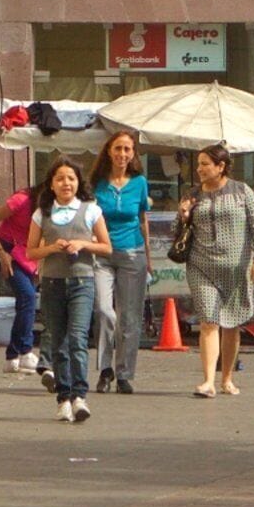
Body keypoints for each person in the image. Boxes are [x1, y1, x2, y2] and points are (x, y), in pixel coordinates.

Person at [174, 144, 254, 398]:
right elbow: (178, 231)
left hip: (237, 267)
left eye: (205, 164)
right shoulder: (192, 195)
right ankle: (207, 381)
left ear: (221, 166)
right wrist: (183, 216)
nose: (199, 168)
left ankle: (226, 378)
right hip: (201, 265)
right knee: (209, 321)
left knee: (232, 324)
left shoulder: (242, 192)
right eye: (199, 164)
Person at [30, 158, 112, 421]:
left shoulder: (90, 210)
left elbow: (106, 246)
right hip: (53, 283)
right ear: (51, 185)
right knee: (58, 341)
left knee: (77, 338)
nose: (66, 183)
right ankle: (63, 397)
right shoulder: (42, 213)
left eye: (71, 178)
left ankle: (80, 396)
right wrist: (52, 248)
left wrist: (82, 244)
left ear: (79, 183)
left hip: (82, 282)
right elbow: (31, 251)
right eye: (60, 179)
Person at [91, 128, 153, 395]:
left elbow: (142, 219)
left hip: (132, 253)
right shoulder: (96, 182)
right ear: (109, 151)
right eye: (118, 148)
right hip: (101, 253)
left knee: (130, 317)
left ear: (133, 154)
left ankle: (125, 373)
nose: (123, 154)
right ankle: (105, 369)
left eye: (127, 149)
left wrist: (148, 257)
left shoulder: (139, 182)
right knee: (105, 311)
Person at [0, 171, 42, 376]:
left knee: (25, 299)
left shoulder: (53, 209)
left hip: (26, 253)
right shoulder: (21, 200)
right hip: (5, 248)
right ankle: (26, 350)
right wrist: (2, 255)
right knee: (27, 296)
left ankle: (12, 355)